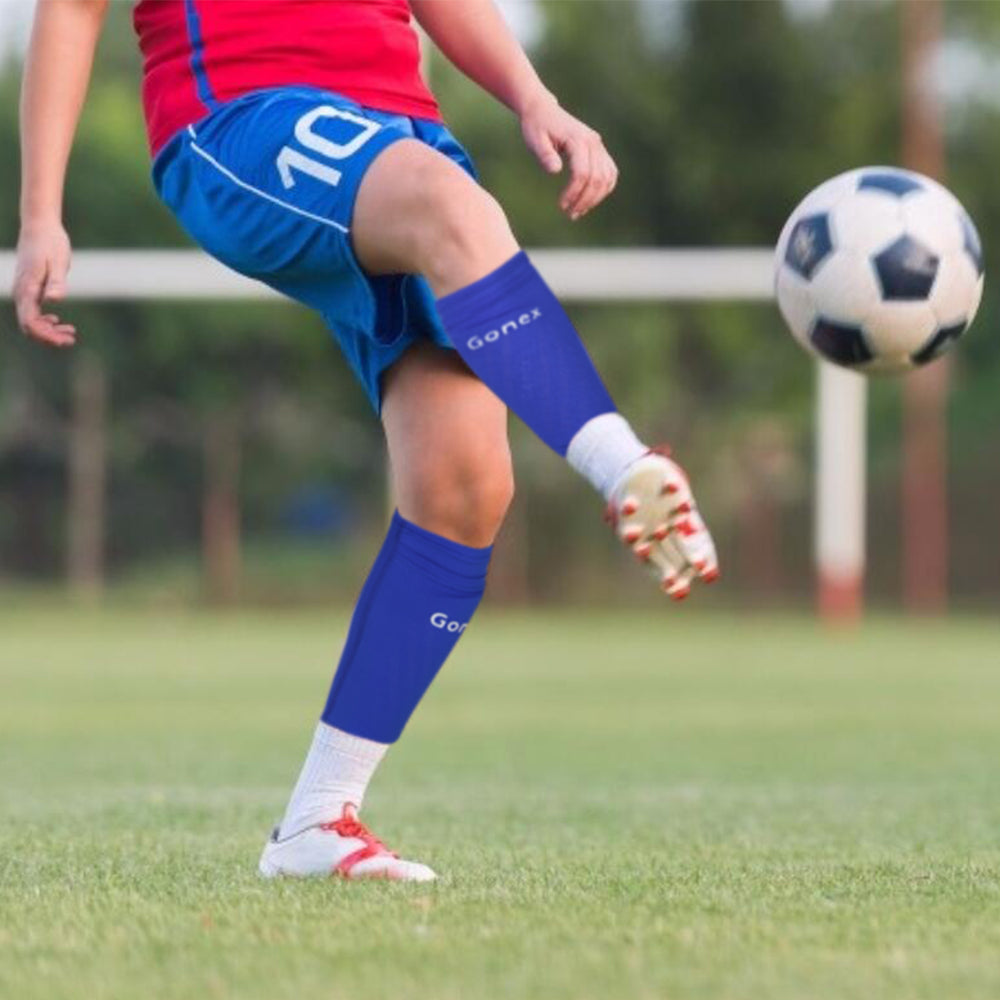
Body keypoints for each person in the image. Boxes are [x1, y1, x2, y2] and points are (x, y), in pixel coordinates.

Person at [14, 0, 719, 882]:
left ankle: (316, 821)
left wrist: (532, 95)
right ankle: (622, 464)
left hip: (400, 130)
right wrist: (41, 210)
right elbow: (71, 11)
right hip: (242, 115)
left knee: (463, 490)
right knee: (450, 209)